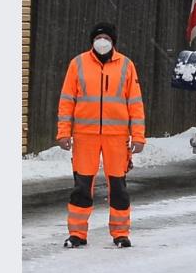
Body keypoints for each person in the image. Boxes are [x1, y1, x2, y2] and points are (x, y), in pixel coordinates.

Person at [56, 22, 146, 249]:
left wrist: (138, 136)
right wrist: (63, 132)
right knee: (82, 186)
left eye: (106, 37)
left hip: (116, 138)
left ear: (113, 41)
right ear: (92, 41)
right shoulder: (77, 64)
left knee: (118, 187)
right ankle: (77, 233)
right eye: (98, 37)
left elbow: (135, 104)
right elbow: (67, 101)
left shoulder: (126, 65)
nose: (102, 41)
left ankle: (121, 233)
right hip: (85, 136)